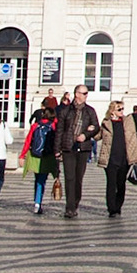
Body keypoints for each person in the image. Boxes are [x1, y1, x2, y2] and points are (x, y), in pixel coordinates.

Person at [56, 84, 100, 219]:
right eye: (84, 93)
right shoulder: (66, 111)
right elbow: (59, 131)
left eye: (86, 93)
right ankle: (69, 208)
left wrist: (86, 135)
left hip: (83, 148)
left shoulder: (90, 111)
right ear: (77, 94)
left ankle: (75, 203)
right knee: (69, 178)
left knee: (78, 179)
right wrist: (57, 150)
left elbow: (96, 127)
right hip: (68, 147)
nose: (86, 96)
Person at [97, 100, 137, 218]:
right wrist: (91, 129)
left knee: (121, 184)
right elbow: (98, 136)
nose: (122, 111)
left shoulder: (128, 121)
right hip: (110, 158)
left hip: (124, 158)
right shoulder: (106, 123)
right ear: (112, 111)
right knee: (111, 184)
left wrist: (135, 157)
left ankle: (118, 206)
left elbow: (133, 140)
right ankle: (112, 208)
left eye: (122, 109)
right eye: (119, 109)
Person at [20, 103, 60, 214]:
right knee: (42, 180)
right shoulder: (54, 125)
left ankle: (37, 201)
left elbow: (28, 141)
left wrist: (22, 155)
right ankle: (38, 202)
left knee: (38, 179)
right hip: (48, 156)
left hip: (35, 155)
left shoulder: (35, 125)